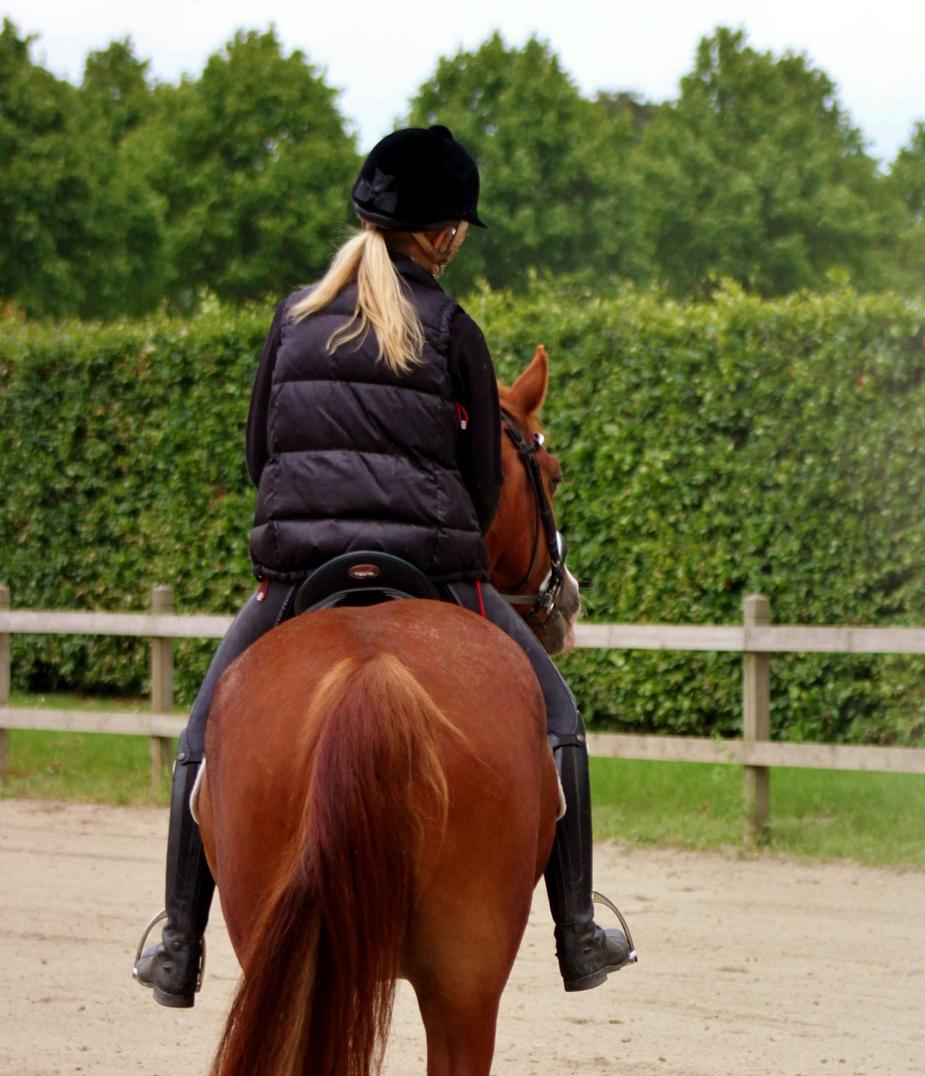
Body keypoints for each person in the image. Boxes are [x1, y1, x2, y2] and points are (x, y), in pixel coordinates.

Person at [134, 125, 633, 1006]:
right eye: (459, 233)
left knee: (206, 733)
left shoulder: (292, 320)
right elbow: (483, 489)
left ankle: (178, 940)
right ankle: (577, 929)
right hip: (435, 575)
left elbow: (259, 458)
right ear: (441, 235)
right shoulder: (452, 330)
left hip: (298, 580)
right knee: (559, 720)